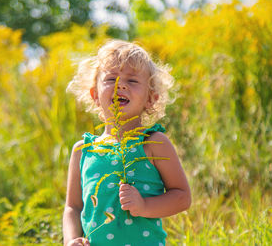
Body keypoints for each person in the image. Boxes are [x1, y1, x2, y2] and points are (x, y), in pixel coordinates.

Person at [63, 40, 191, 246]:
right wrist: (70, 240)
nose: (120, 85)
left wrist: (144, 206)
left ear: (151, 99)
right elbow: (73, 207)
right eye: (111, 78)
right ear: (95, 95)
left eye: (132, 81)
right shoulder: (83, 150)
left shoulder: (153, 143)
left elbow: (182, 197)